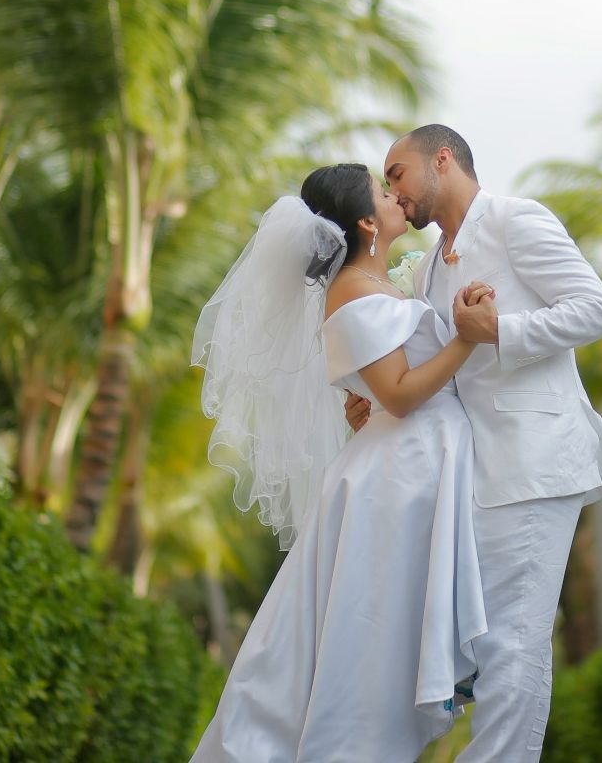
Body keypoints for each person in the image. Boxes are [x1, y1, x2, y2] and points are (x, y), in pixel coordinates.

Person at [189, 164, 499, 762]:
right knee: (369, 640)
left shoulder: (376, 284)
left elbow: (383, 386)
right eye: (383, 191)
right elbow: (400, 395)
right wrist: (465, 336)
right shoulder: (354, 289)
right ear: (366, 222)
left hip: (407, 465)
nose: (396, 196)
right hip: (396, 478)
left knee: (374, 636)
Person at [349, 123, 602, 762]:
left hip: (535, 460)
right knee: (480, 645)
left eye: (396, 174)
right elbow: (442, 370)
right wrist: (378, 402)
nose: (392, 191)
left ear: (442, 160)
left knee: (515, 642)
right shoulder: (426, 268)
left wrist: (501, 329)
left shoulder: (516, 220)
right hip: (471, 476)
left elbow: (597, 309)